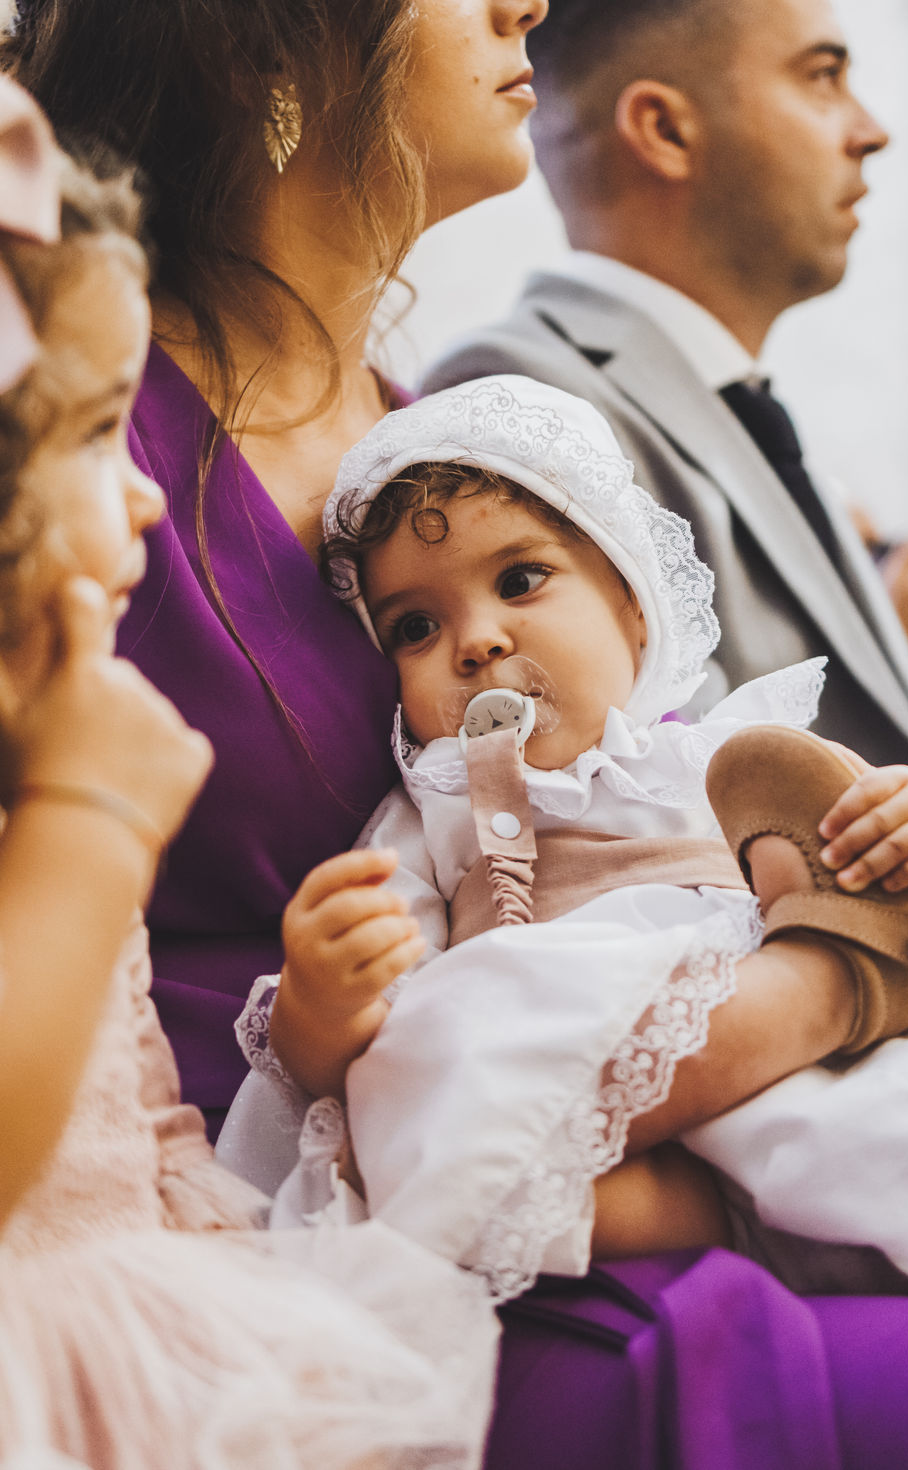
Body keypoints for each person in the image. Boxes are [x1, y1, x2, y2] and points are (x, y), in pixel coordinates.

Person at [218, 376, 908, 1302]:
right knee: (430, 1088)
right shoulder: (431, 817)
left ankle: (822, 977)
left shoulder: (726, 759)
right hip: (627, 1158)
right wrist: (323, 1001)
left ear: (631, 600)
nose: (477, 641)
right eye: (415, 627)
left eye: (519, 579)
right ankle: (821, 1004)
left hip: (800, 1086)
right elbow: (358, 1061)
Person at [0, 144, 500, 1470]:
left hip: (153, 1300)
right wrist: (89, 821)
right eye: (95, 429)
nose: (148, 489)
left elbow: (140, 1117)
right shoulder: (63, 788)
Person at [2, 0, 550, 1139]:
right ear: (266, 53)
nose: (526, 5)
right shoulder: (64, 450)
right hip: (213, 1166)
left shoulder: (451, 453)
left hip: (531, 1096)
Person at [421, 0, 908, 814]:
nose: (869, 130)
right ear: (665, 129)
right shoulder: (526, 400)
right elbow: (647, 815)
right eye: (821, 77)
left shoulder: (740, 405)